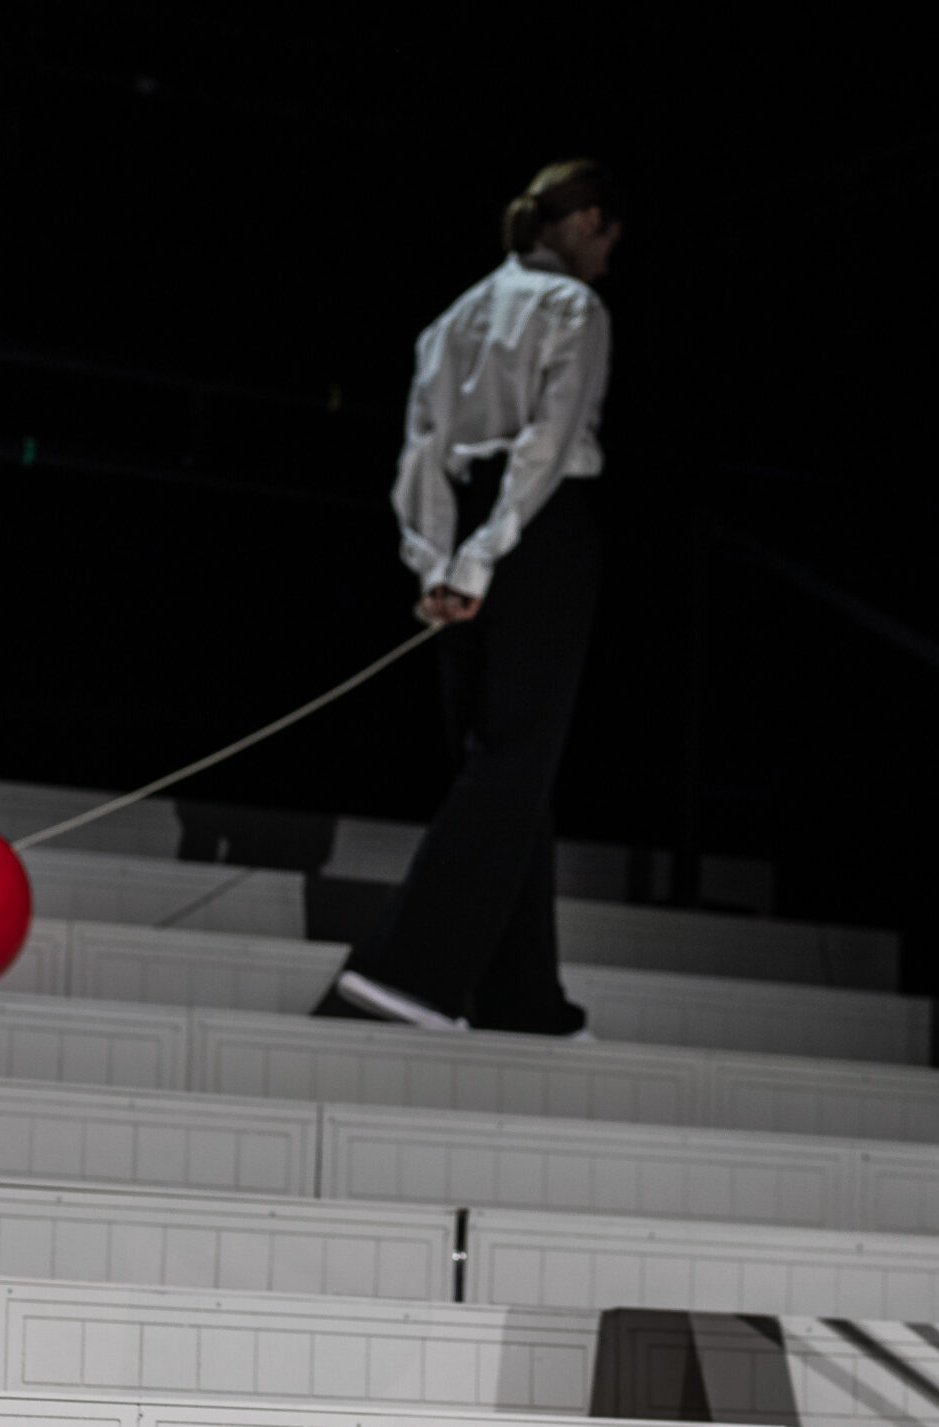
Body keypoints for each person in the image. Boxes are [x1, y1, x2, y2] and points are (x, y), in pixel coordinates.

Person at [320, 160, 622, 1037]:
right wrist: (482, 557)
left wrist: (436, 562)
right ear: (588, 221)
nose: (610, 257)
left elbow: (423, 452)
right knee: (512, 759)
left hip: (464, 528)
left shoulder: (454, 316)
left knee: (507, 759)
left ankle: (523, 997)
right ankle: (403, 974)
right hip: (534, 530)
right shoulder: (575, 307)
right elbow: (546, 447)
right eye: (610, 237)